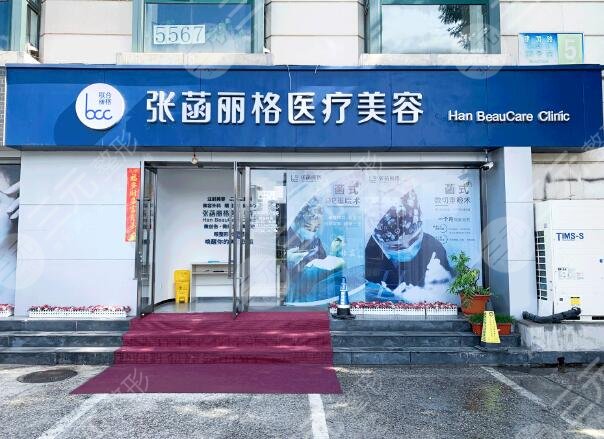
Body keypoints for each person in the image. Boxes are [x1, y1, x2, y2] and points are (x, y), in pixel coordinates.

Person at [365, 188, 453, 297]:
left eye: (413, 239)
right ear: (381, 244)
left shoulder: (434, 247)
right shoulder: (370, 253)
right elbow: (365, 287)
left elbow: (448, 285)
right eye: (397, 246)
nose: (408, 248)